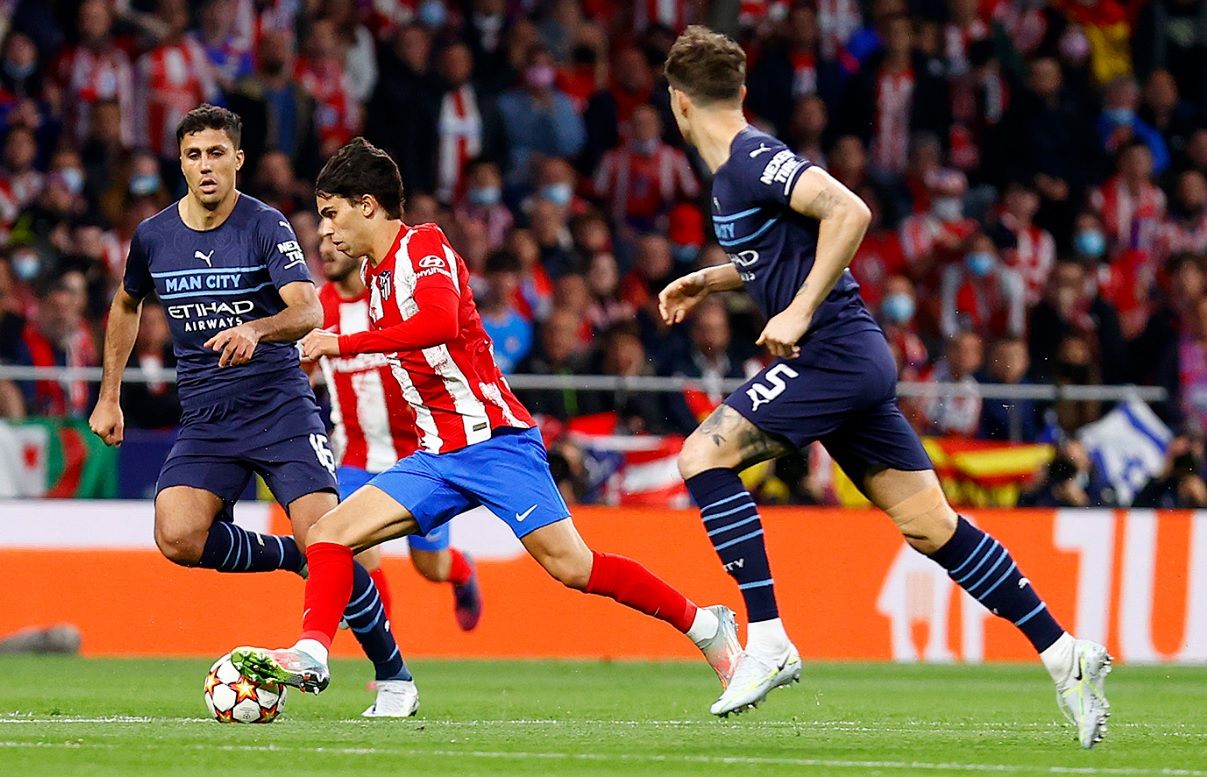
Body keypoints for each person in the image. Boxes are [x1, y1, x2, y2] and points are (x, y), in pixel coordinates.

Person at [655, 26, 1111, 745]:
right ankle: (1066, 654)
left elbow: (850, 211)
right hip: (853, 358)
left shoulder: (751, 157)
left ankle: (766, 639)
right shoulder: (735, 175)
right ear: (737, 92)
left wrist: (798, 310)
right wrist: (713, 278)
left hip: (830, 350)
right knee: (932, 526)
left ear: (677, 103)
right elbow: (782, 248)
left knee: (700, 456)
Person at [230, 137, 740, 703]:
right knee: (328, 534)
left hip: (497, 445)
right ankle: (317, 655)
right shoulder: (374, 278)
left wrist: (341, 343)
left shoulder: (425, 245)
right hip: (435, 457)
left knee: (573, 567)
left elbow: (442, 322)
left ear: (367, 205)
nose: (325, 231)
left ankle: (705, 624)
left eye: (332, 214)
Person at [87, 105, 414, 718]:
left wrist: (258, 331)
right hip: (207, 418)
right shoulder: (155, 235)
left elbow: (308, 310)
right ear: (180, 162)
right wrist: (109, 395)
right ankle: (292, 557)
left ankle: (393, 676)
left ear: (238, 159)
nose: (205, 166)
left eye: (216, 153)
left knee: (332, 540)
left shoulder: (266, 227)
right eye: (193, 155)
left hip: (279, 410)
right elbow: (126, 304)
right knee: (178, 536)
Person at [315, 234, 484, 631]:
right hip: (356, 456)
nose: (325, 249)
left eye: (334, 240)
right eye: (320, 241)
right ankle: (388, 665)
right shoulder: (318, 308)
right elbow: (303, 372)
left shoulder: (389, 297)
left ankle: (460, 571)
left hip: (418, 456)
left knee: (430, 565)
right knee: (358, 555)